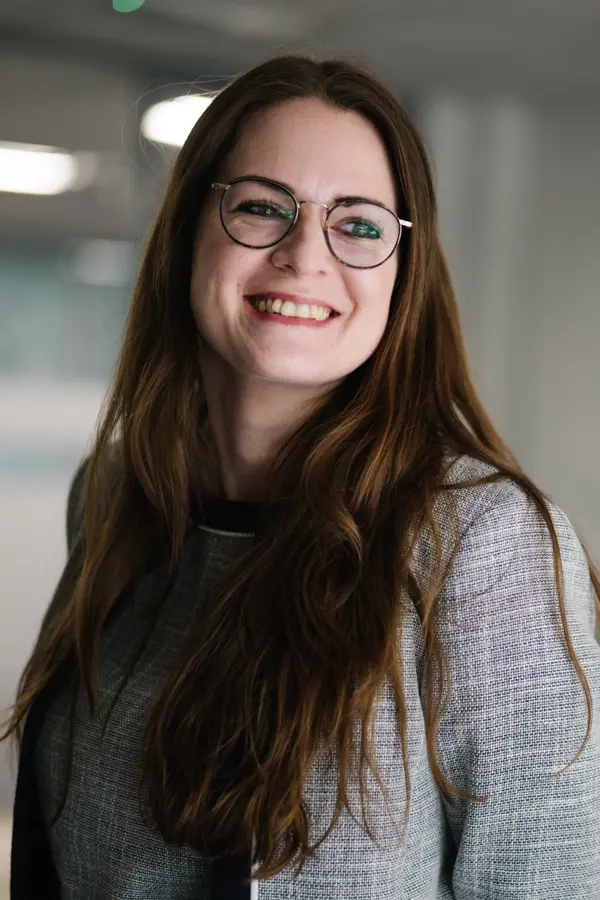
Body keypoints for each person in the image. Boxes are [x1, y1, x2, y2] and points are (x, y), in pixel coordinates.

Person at [3, 53, 600, 900]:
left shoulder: (482, 545)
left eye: (358, 225)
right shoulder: (113, 495)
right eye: (261, 207)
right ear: (188, 231)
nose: (303, 256)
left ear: (403, 272)